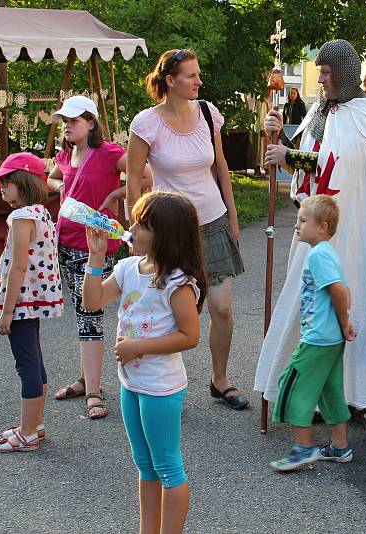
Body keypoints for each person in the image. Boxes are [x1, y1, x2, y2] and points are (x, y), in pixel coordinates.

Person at [254, 39, 366, 433]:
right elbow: (312, 168)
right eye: (319, 72)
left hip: (363, 233)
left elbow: (344, 164)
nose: (320, 79)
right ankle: (321, 395)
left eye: (325, 72)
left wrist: (292, 157)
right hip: (324, 233)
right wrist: (279, 142)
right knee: (317, 311)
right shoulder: (321, 113)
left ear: (344, 74)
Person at [126, 48, 248, 410]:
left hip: (212, 222)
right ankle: (159, 385)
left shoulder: (209, 114)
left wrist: (233, 215)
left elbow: (221, 167)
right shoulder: (146, 123)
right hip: (170, 229)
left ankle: (220, 380)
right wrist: (136, 225)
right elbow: (133, 177)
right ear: (170, 81)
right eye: (191, 75)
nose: (198, 81)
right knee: (171, 311)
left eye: (198, 74)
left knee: (222, 308)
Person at [82, 191, 206, 534]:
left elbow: (189, 336)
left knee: (167, 467)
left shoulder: (178, 283)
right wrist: (96, 258)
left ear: (165, 235)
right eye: (134, 221)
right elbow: (92, 301)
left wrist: (139, 348)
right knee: (145, 466)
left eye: (142, 224)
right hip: (131, 385)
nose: (131, 229)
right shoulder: (127, 268)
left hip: (161, 389)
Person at [47, 95, 152, 420]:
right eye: (64, 121)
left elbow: (145, 175)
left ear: (91, 122)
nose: (67, 126)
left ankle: (93, 391)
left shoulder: (109, 152)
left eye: (73, 120)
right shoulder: (66, 154)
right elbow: (51, 177)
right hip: (64, 243)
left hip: (92, 247)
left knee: (89, 315)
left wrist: (115, 194)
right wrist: (63, 186)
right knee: (82, 315)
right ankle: (85, 380)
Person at [270, 195, 356, 471]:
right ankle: (340, 447)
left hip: (318, 338)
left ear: (323, 226)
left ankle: (304, 448)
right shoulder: (324, 252)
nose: (296, 225)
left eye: (303, 220)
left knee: (294, 384)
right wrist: (342, 326)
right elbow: (345, 290)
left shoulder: (319, 255)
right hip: (329, 337)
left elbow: (339, 292)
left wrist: (344, 323)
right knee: (330, 389)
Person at [0, 153, 63, 452]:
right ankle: (35, 424)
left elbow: (18, 265)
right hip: (33, 300)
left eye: (7, 181)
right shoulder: (40, 212)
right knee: (35, 362)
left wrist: (6, 312)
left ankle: (28, 433)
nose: (1, 187)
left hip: (21, 302)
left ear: (24, 181)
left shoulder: (21, 217)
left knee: (27, 365)